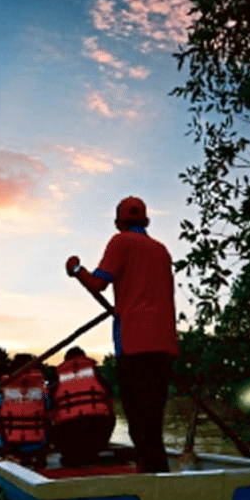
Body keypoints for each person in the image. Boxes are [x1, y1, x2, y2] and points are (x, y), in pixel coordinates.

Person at [65, 196, 178, 473]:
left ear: (118, 223)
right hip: (164, 345)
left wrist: (76, 269)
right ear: (146, 220)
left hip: (134, 343)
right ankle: (157, 471)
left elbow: (98, 283)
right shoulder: (162, 250)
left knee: (139, 421)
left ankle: (153, 481)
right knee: (153, 420)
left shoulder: (121, 242)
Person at [48, 346, 116, 466]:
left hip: (68, 432)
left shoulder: (57, 380)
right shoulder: (99, 377)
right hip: (98, 428)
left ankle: (69, 451)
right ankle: (98, 447)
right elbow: (110, 404)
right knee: (111, 415)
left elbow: (50, 412)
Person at [0, 368, 51, 463]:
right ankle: (41, 456)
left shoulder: (1, 396)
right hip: (37, 445)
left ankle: (0, 453)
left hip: (10, 445)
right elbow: (49, 416)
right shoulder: (43, 394)